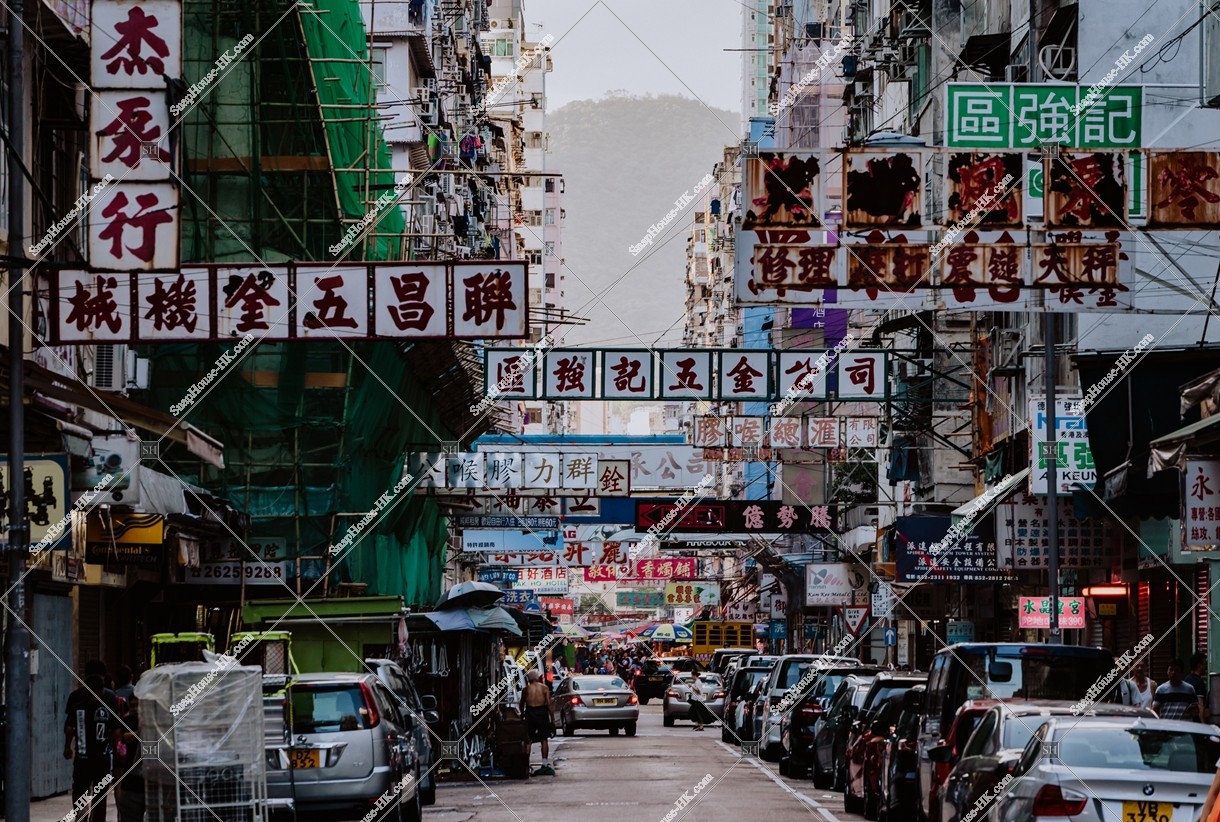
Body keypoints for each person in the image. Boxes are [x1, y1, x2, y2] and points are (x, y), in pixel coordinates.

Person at [64, 662, 121, 822]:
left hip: (82, 757)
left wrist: (67, 746)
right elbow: (116, 731)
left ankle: (81, 817)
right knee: (100, 794)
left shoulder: (75, 697)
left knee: (80, 790)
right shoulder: (110, 697)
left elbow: (69, 728)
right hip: (102, 757)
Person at [519, 670, 555, 776]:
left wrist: (522, 715)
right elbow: (549, 704)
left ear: (529, 679)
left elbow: (522, 703)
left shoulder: (526, 689)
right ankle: (544, 763)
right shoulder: (544, 688)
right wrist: (552, 719)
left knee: (528, 740)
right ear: (537, 678)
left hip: (530, 713)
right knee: (544, 739)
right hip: (542, 712)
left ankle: (526, 764)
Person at [116, 695, 145, 822]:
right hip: (131, 781)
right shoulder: (128, 721)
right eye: (132, 705)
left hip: (150, 781)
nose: (135, 708)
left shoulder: (154, 721)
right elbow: (125, 737)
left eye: (138, 705)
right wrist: (142, 733)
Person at [1187, 652, 1212, 722]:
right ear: (1199, 665)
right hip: (1196, 721)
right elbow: (1200, 705)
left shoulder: (1187, 679)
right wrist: (1203, 724)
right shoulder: (1198, 682)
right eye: (1205, 664)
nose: (1206, 667)